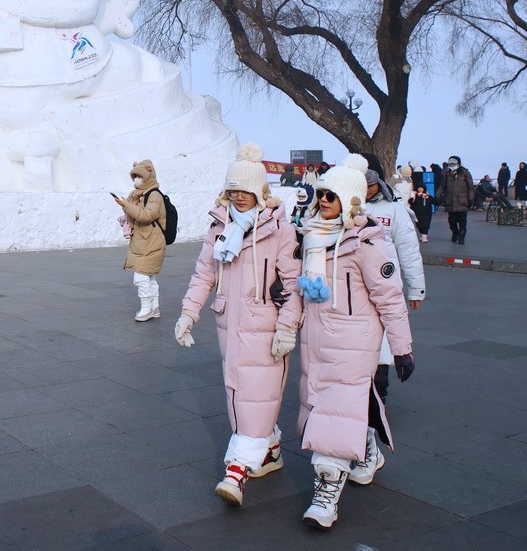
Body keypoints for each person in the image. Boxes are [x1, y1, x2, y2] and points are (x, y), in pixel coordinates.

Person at [274, 153, 413, 530]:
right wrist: (288, 327)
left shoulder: (368, 244)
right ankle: (367, 451)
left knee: (331, 421)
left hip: (354, 344)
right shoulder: (313, 237)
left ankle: (326, 494)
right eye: (321, 195)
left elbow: (390, 298)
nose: (323, 202)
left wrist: (402, 348)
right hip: (316, 344)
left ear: (350, 200)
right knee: (328, 407)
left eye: (331, 196)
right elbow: (299, 294)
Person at [175, 143, 301, 506]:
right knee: (236, 389)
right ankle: (271, 449)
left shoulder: (280, 230)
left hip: (267, 328)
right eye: (234, 190)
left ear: (261, 192)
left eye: (246, 191)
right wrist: (189, 312)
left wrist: (287, 327)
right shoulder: (220, 226)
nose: (240, 197)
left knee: (256, 394)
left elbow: (294, 286)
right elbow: (204, 274)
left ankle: (238, 471)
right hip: (229, 324)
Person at [363, 169, 425, 403]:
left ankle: (379, 396)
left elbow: (408, 251)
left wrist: (416, 289)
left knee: (383, 346)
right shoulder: (345, 205)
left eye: (371, 184)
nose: (367, 190)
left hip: (385, 288)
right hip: (355, 291)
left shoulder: (395, 210)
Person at [114, 159, 166, 322]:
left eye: (139, 176)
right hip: (144, 241)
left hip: (151, 242)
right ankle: (154, 307)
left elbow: (146, 215)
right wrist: (126, 204)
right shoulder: (140, 194)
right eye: (134, 176)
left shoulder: (154, 195)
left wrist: (126, 205)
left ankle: (146, 309)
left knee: (141, 277)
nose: (137, 179)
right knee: (149, 277)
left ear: (148, 176)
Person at [437, 155, 474, 244]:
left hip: (462, 202)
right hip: (451, 203)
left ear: (458, 164)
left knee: (462, 222)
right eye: (450, 164)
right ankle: (455, 232)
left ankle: (461, 237)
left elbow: (471, 187)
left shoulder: (465, 173)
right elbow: (442, 186)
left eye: (453, 163)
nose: (452, 165)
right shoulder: (447, 174)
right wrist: (437, 195)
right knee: (451, 222)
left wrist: (471, 199)